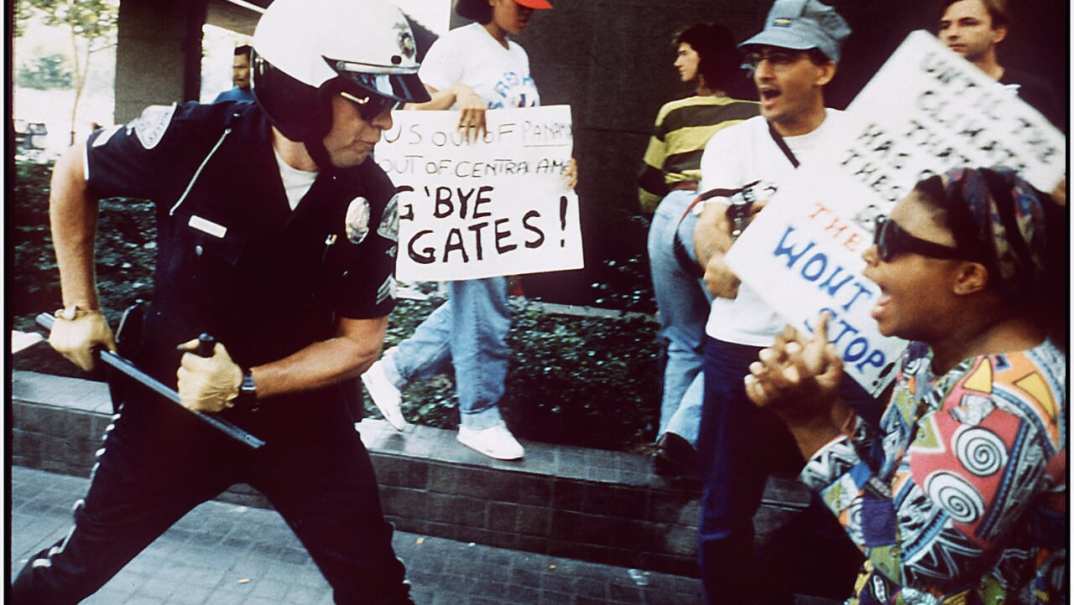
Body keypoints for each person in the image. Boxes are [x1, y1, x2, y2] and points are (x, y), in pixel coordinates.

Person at [11, 1, 430, 603]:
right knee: (71, 572)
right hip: (169, 410)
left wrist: (247, 385)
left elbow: (361, 343)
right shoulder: (195, 137)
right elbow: (75, 171)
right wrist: (79, 307)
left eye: (391, 104)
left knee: (377, 589)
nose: (384, 123)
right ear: (299, 92)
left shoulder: (371, 194)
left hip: (304, 422)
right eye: (368, 101)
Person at [745, 167, 1067, 604]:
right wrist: (829, 408)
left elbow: (911, 559)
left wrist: (812, 426)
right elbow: (894, 483)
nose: (870, 253)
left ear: (969, 276)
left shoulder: (1003, 406)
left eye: (895, 241)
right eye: (880, 229)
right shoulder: (928, 354)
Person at [690, 1, 875, 602]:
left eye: (783, 59)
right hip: (741, 350)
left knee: (849, 504)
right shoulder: (733, 143)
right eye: (759, 59)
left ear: (824, 69)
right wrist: (717, 258)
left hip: (840, 356)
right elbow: (711, 218)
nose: (764, 73)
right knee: (724, 513)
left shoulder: (864, 140)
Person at [361, 0, 557, 461]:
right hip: (463, 204)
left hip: (504, 200)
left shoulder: (518, 56)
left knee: (481, 304)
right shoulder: (457, 45)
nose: (529, 12)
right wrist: (456, 94)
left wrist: (556, 165)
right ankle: (480, 415)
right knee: (487, 307)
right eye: (520, 3)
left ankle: (393, 368)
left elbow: (526, 132)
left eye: (535, 6)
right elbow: (404, 112)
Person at [638, 22, 758, 475]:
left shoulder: (672, 112)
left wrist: (659, 211)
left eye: (685, 52)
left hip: (668, 215)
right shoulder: (754, 115)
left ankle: (669, 443)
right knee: (732, 335)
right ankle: (683, 435)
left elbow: (648, 183)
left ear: (706, 57)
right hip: (716, 216)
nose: (677, 61)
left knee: (682, 340)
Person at [938, 0, 1064, 130]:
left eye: (968, 23)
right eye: (945, 26)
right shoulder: (927, 87)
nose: (952, 33)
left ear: (998, 33)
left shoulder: (1034, 91)